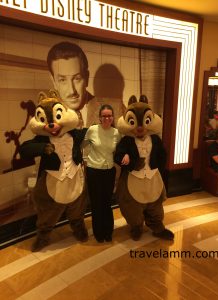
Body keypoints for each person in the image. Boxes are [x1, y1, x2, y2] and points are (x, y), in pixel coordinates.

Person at [47, 41, 124, 127]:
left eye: (77, 78)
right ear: (53, 81)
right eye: (62, 80)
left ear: (86, 77)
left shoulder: (115, 109)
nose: (72, 91)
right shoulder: (45, 117)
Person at [84, 104, 123, 242]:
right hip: (93, 170)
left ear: (113, 117)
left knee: (106, 202)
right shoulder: (92, 130)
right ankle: (98, 233)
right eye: (104, 116)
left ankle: (108, 231)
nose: (107, 118)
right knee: (96, 202)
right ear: (100, 117)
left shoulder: (116, 133)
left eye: (109, 115)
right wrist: (85, 160)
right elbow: (84, 145)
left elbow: (120, 150)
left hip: (109, 171)